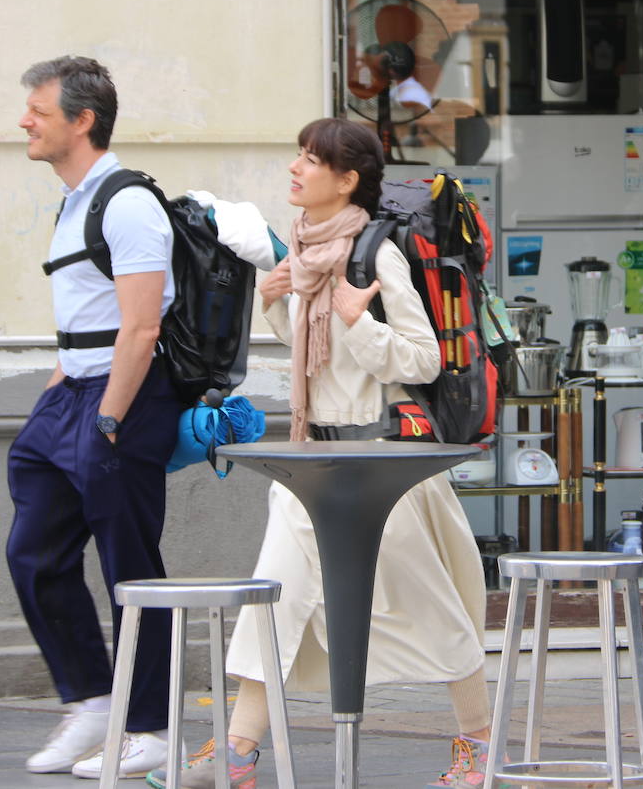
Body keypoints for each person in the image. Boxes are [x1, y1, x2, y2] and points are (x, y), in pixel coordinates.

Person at [148, 118, 492, 789]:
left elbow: (422, 357)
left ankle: (479, 744)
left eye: (311, 160)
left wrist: (359, 321)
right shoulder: (304, 252)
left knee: (429, 604)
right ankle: (237, 754)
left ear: (347, 180)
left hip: (381, 464)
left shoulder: (374, 254)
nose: (296, 170)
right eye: (299, 157)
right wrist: (279, 309)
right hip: (311, 464)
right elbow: (314, 361)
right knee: (272, 601)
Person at [6, 56, 182, 779]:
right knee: (32, 552)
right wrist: (54, 400)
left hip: (124, 396)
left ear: (82, 121)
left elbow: (141, 329)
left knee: (129, 568)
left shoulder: (128, 202)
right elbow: (86, 317)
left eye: (38, 111)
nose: (25, 120)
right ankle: (95, 701)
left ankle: (154, 725)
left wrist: (107, 421)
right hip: (73, 393)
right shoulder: (74, 201)